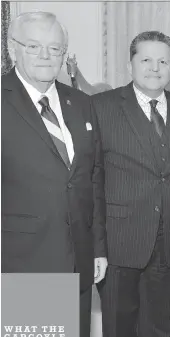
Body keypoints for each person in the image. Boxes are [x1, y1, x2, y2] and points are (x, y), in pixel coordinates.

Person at [1, 12, 108, 337]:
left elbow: (94, 178)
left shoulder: (82, 104)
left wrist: (99, 247)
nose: (46, 56)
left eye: (55, 48)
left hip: (79, 258)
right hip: (26, 259)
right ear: (11, 47)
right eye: (34, 46)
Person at [92, 30, 170, 337]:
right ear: (131, 65)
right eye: (146, 59)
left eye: (163, 60)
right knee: (119, 327)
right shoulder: (101, 107)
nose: (155, 67)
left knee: (162, 327)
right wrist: (98, 245)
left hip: (168, 241)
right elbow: (94, 179)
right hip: (119, 241)